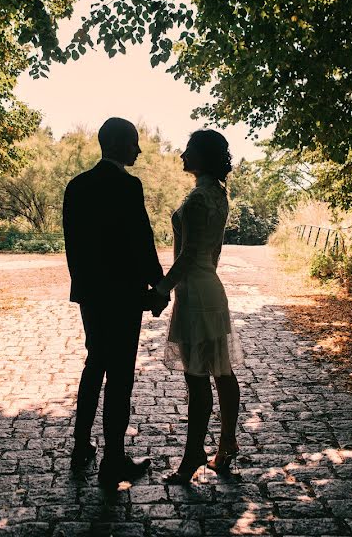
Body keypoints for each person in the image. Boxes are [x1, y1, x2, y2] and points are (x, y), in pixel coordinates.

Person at [62, 117, 170, 490]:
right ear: (120, 144)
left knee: (95, 364)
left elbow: (73, 246)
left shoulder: (76, 187)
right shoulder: (128, 186)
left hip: (91, 295)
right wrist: (158, 285)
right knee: (120, 376)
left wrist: (85, 286)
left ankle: (80, 447)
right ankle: (114, 460)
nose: (138, 150)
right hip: (122, 296)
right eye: (135, 143)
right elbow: (140, 239)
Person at [155, 129, 244, 484]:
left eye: (188, 149)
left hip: (196, 294)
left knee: (198, 380)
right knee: (222, 372)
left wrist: (161, 290)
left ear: (203, 156)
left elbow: (188, 257)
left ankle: (193, 454)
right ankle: (226, 443)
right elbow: (212, 253)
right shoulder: (218, 196)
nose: (182, 155)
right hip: (212, 288)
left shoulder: (196, 201)